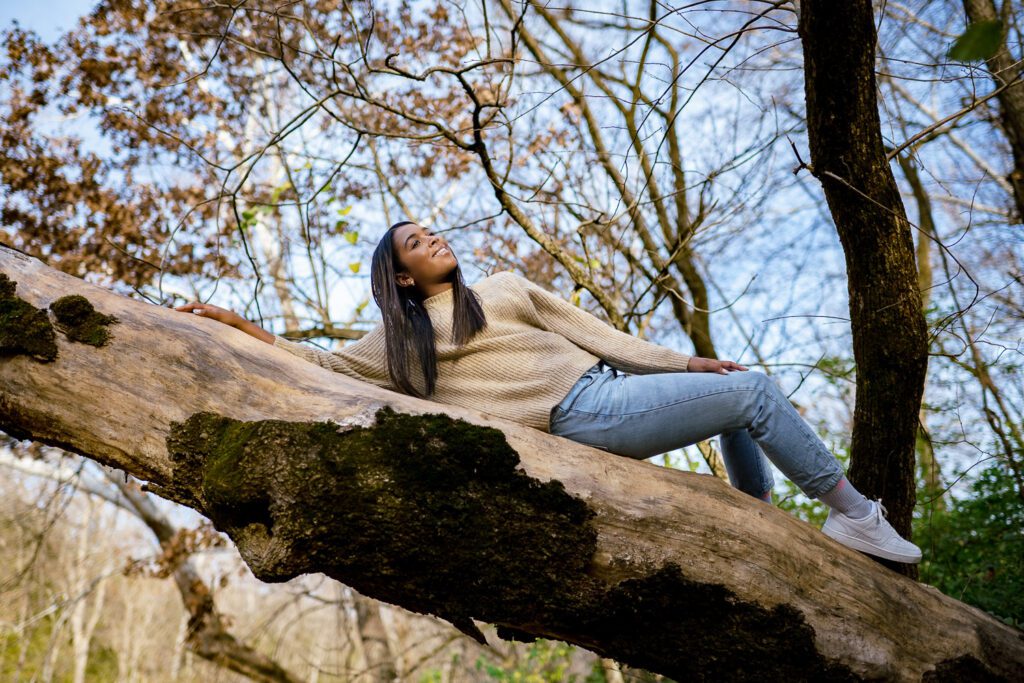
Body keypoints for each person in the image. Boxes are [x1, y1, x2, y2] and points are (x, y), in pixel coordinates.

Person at [174, 220, 922, 564]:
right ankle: (856, 516)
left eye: (432, 231)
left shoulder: (503, 286)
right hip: (578, 417)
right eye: (416, 244)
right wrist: (238, 325)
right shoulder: (397, 347)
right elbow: (318, 363)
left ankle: (760, 516)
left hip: (609, 390)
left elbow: (603, 337)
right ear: (401, 276)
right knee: (755, 395)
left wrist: (688, 363)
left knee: (736, 389)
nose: (434, 239)